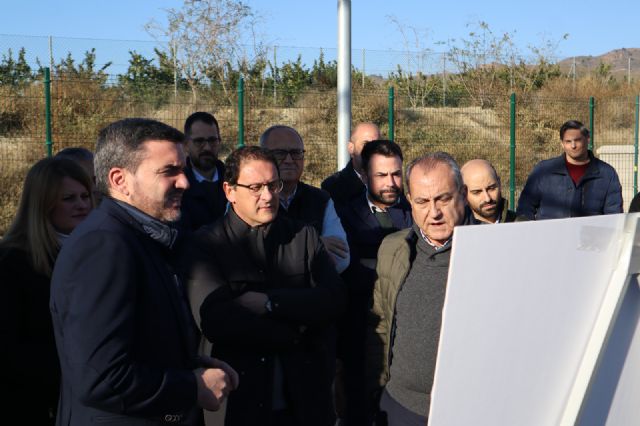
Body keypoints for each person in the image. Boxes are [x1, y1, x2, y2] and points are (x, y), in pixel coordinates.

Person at [50, 118, 238, 426]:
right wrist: (192, 386)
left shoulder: (143, 237)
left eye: (183, 169)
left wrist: (192, 365)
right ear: (119, 179)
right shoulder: (104, 246)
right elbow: (100, 377)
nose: (185, 182)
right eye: (169, 171)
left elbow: (139, 342)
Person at [183, 146, 346, 426]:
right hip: (239, 402)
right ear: (229, 191)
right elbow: (216, 320)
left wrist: (271, 303)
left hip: (304, 402)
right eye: (255, 188)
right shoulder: (206, 244)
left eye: (273, 185)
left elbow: (334, 299)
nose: (268, 196)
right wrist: (297, 329)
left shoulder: (303, 236)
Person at [367, 152, 475, 425]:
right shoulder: (393, 248)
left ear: (463, 194)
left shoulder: (494, 251)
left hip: (469, 410)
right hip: (399, 407)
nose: (434, 212)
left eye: (443, 199)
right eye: (422, 202)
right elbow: (381, 322)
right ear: (410, 201)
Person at [0, 157, 93, 425]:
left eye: (85, 196)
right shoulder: (12, 263)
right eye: (69, 198)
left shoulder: (95, 252)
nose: (82, 205)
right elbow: (9, 349)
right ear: (43, 203)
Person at [335, 139, 412, 425]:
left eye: (396, 174)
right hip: (362, 330)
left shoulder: (416, 213)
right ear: (365, 176)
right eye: (382, 175)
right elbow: (350, 272)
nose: (391, 183)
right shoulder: (345, 216)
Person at [260, 125, 350, 273]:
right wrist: (315, 244)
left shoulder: (321, 200)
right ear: (263, 157)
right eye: (280, 153)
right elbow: (250, 254)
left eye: (296, 153)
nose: (289, 160)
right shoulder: (250, 198)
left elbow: (341, 259)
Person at [516, 120, 623, 220]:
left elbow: (613, 215)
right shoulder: (544, 170)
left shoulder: (607, 174)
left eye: (577, 140)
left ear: (588, 139)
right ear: (562, 143)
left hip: (590, 234)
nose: (573, 146)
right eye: (568, 141)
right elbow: (525, 207)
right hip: (548, 233)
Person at [181, 112, 227, 231]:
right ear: (186, 145)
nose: (207, 147)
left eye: (212, 140)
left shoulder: (235, 180)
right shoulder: (178, 189)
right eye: (199, 141)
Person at [321, 122, 381, 206]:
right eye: (366, 144)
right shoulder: (333, 186)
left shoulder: (391, 182)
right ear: (351, 148)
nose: (372, 150)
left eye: (377, 145)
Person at [461, 158, 516, 223]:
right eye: (477, 192)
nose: (487, 199)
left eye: (491, 188)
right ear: (463, 193)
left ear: (499, 183)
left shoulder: (521, 223)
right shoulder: (455, 227)